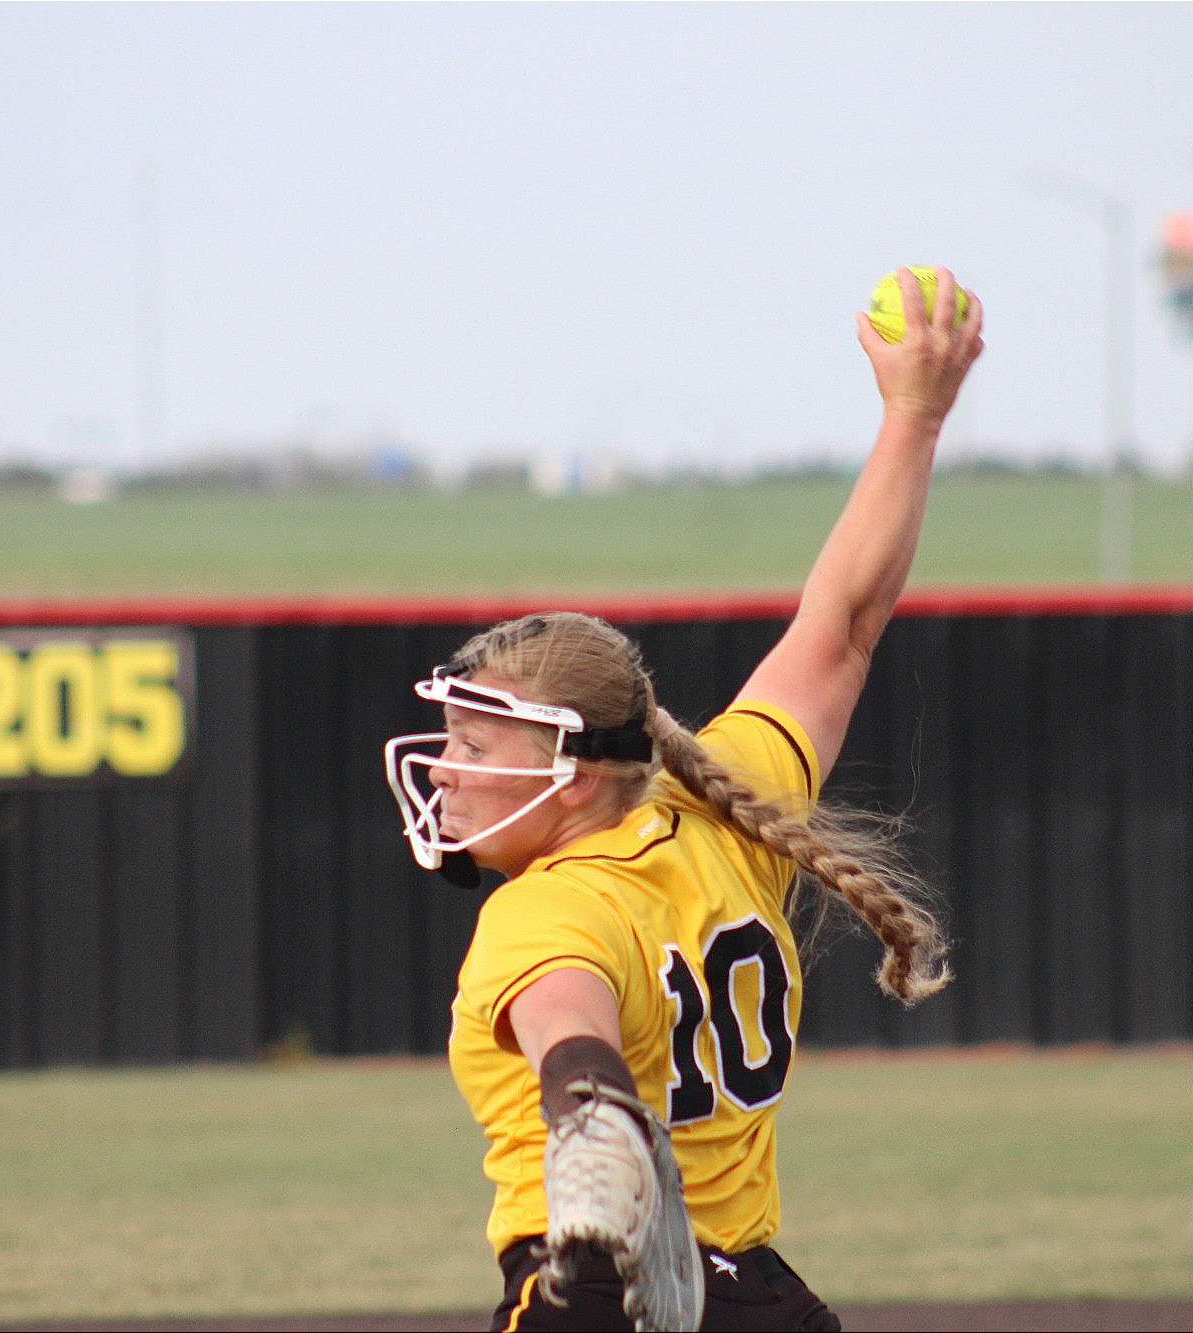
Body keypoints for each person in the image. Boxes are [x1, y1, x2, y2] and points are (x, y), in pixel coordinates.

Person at [383, 268, 984, 1332]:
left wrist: (595, 1130)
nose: (443, 767)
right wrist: (913, 416)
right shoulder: (725, 804)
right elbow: (842, 622)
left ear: (567, 773)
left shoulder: (543, 909)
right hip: (762, 1297)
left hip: (600, 1293)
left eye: (475, 744)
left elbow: (575, 1043)